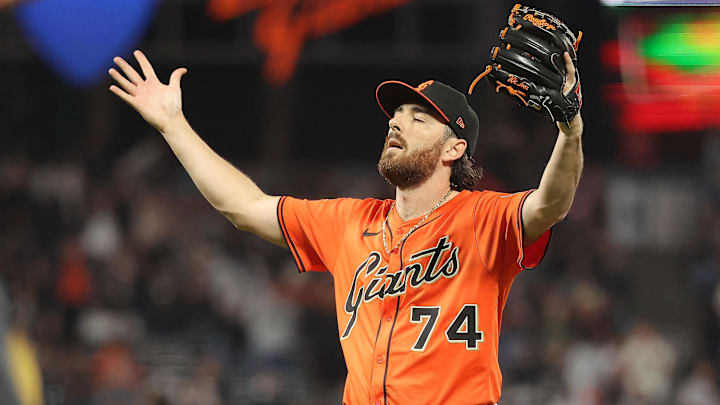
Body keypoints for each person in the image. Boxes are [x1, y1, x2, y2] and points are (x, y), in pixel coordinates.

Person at [108, 49, 583, 405]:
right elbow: (245, 206)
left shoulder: (481, 217)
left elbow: (549, 205)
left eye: (419, 119)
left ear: (453, 149)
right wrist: (174, 125)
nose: (397, 124)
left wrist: (570, 131)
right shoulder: (350, 222)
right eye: (396, 115)